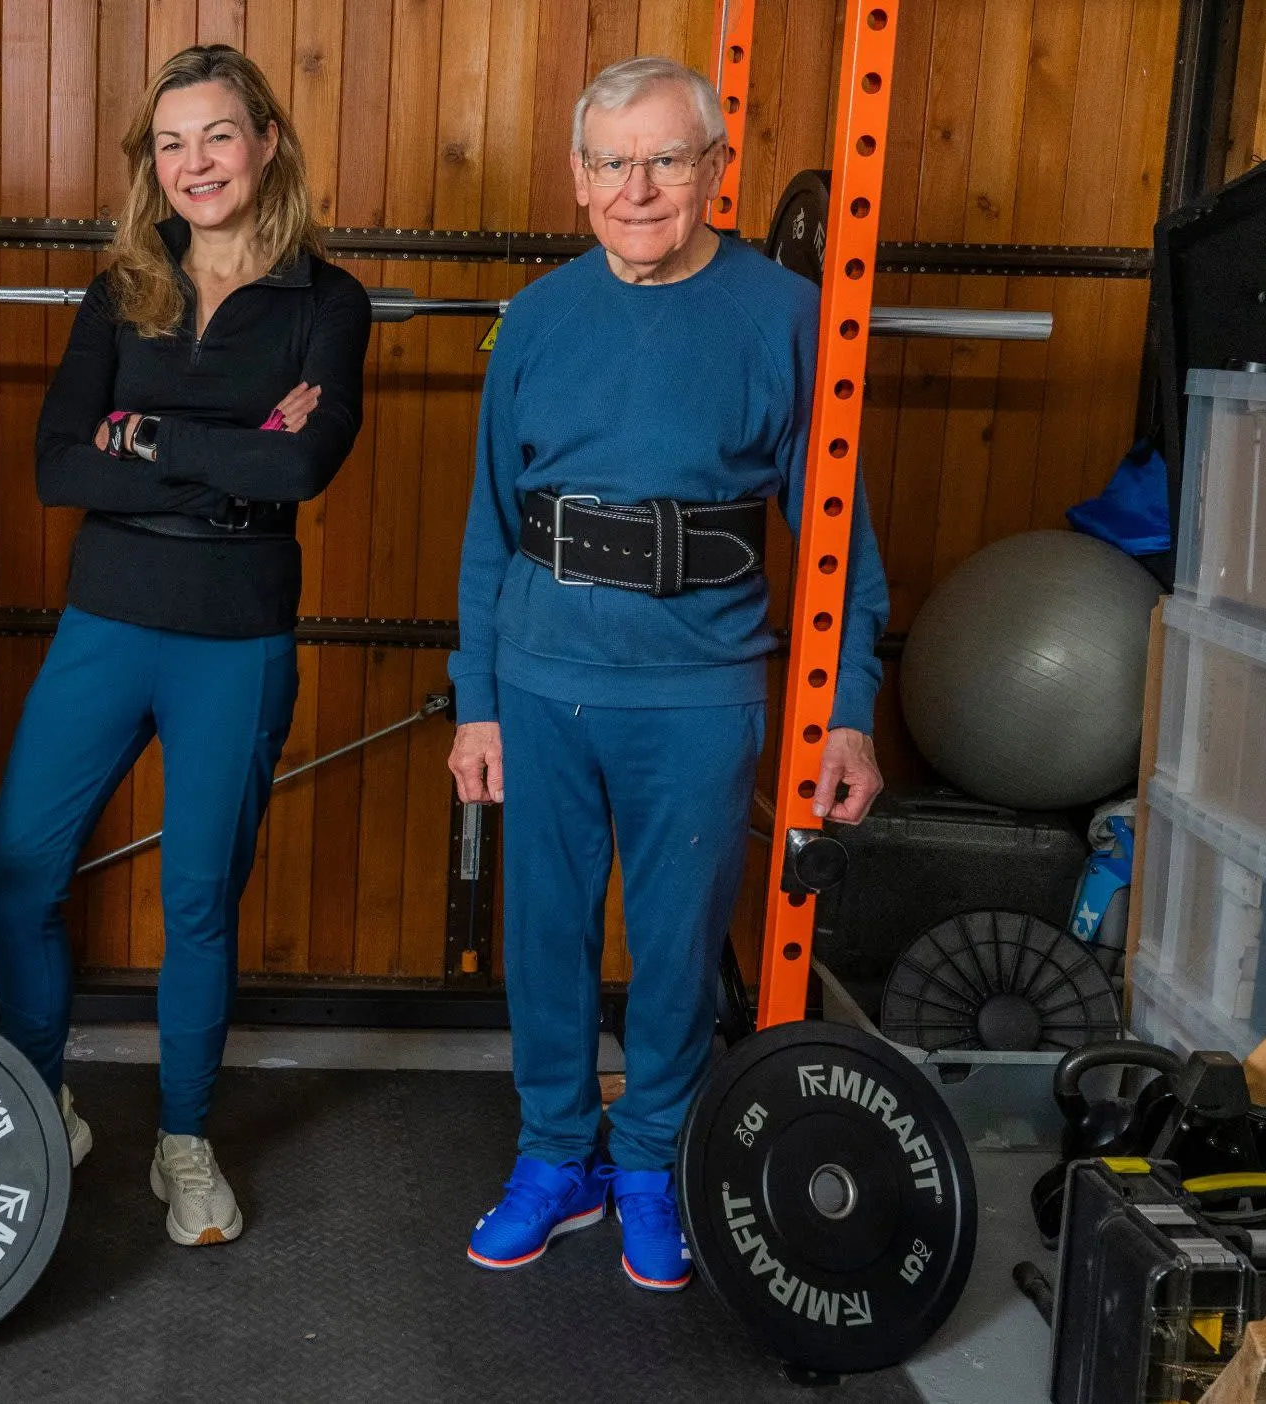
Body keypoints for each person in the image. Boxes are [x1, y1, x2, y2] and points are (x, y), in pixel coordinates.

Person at [447, 56, 888, 1290]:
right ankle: (554, 1158)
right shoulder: (535, 317)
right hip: (539, 680)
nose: (635, 187)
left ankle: (646, 1162)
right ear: (577, 178)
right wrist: (474, 699)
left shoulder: (789, 317)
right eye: (610, 162)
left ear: (714, 171)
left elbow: (841, 543)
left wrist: (847, 714)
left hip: (699, 688)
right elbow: (491, 523)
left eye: (664, 159)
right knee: (543, 940)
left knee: (680, 946)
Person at [0, 45, 371, 1247]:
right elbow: (56, 462)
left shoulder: (327, 300)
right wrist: (225, 450)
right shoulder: (121, 290)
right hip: (108, 615)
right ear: (150, 166)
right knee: (19, 875)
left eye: (215, 136)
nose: (193, 163)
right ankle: (43, 1099)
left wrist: (146, 439)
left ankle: (184, 1142)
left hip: (236, 634)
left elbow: (301, 465)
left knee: (199, 902)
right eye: (169, 142)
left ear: (263, 143)